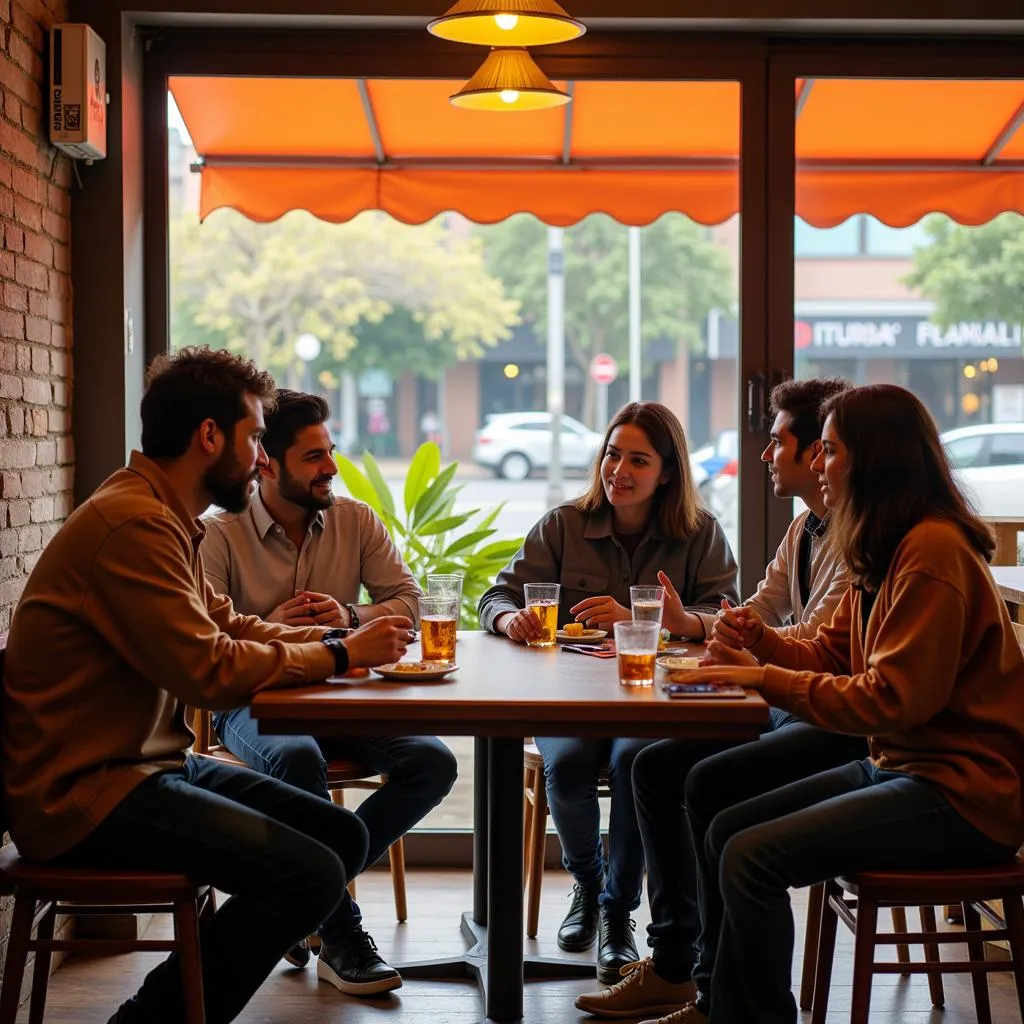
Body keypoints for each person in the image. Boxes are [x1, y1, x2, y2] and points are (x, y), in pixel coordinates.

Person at [1, 348, 416, 1024]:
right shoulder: (135, 525)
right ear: (209, 436)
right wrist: (341, 655)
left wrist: (339, 642)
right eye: (256, 437)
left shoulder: (161, 516)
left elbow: (230, 626)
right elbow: (211, 672)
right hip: (84, 795)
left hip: (141, 768)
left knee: (339, 838)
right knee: (307, 873)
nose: (262, 457)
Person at [681, 384, 1024, 1024]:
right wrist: (764, 641)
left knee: (750, 856)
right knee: (728, 827)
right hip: (907, 769)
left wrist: (759, 676)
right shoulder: (887, 546)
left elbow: (890, 700)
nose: (817, 464)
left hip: (962, 795)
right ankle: (727, 1009)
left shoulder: (931, 553)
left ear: (874, 459)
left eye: (830, 450)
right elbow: (831, 656)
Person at [575, 376, 865, 1020]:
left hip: (832, 717)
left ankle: (706, 983)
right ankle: (681, 967)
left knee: (698, 782)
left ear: (820, 452)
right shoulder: (808, 528)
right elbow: (759, 610)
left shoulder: (863, 539)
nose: (765, 454)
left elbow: (823, 647)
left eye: (778, 440)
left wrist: (748, 647)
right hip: (793, 701)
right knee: (654, 767)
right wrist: (710, 627)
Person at [203, 389, 458, 996]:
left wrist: (346, 613)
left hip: (346, 696)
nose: (332, 467)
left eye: (331, 451)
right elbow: (208, 637)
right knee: (296, 758)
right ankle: (341, 935)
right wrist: (284, 625)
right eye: (314, 456)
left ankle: (301, 898)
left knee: (433, 762)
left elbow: (411, 603)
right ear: (266, 461)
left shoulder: (356, 519)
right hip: (252, 699)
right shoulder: (218, 533)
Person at [478, 401, 738, 984]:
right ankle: (589, 884)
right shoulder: (562, 525)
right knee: (566, 764)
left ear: (667, 473)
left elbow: (725, 614)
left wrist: (646, 620)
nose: (617, 469)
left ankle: (618, 911)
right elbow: (496, 596)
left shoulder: (700, 535)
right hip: (565, 694)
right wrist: (508, 621)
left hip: (650, 696)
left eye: (637, 460)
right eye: (612, 454)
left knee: (635, 764)